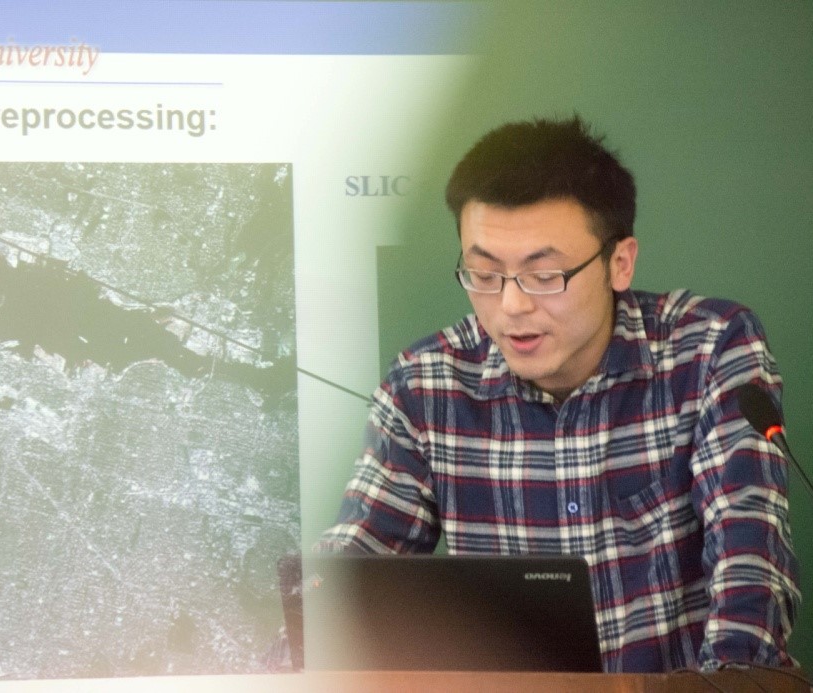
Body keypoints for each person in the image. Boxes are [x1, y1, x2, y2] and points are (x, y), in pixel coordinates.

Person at [316, 116, 801, 673]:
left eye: (545, 276)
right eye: (484, 274)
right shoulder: (423, 386)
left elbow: (751, 564)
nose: (512, 306)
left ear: (619, 263)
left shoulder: (709, 349)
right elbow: (353, 571)